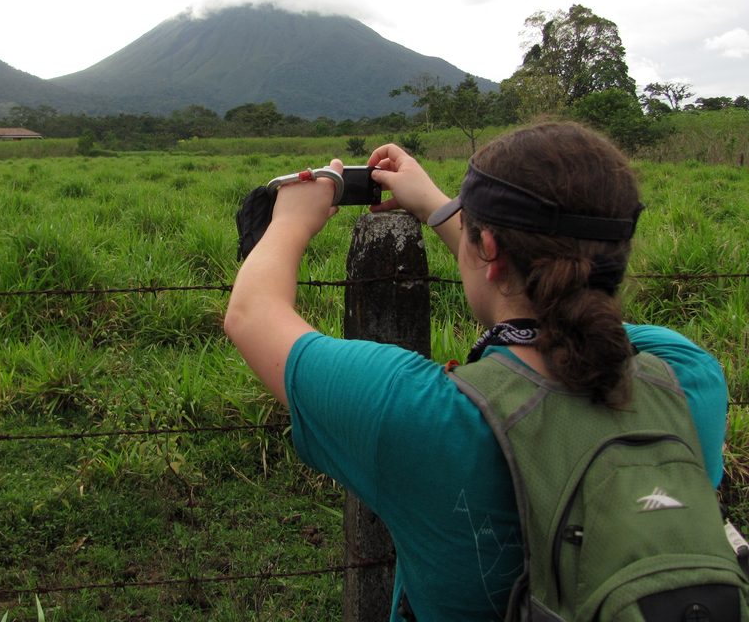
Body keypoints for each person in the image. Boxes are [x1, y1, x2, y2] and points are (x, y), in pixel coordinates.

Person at [223, 121, 729, 621]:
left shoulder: (423, 415)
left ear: (487, 248)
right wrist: (443, 209)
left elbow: (251, 315)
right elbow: (569, 311)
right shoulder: (688, 381)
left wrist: (291, 220)